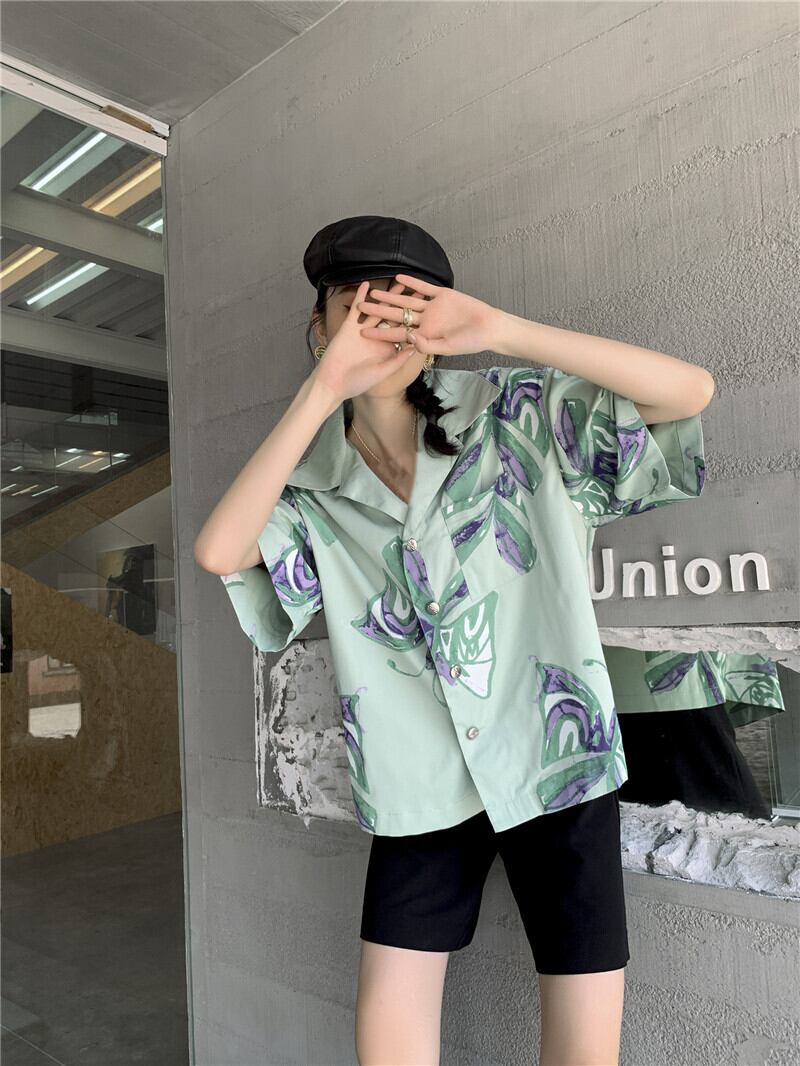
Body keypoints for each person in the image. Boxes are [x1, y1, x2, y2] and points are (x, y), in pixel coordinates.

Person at [194, 215, 715, 1066]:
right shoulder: (311, 482)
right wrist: (321, 392)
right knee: (388, 1029)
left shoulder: (518, 413)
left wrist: (500, 329)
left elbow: (688, 393)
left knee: (585, 1041)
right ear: (319, 327)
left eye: (406, 307)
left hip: (557, 754)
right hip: (417, 780)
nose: (383, 325)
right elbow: (221, 551)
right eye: (358, 307)